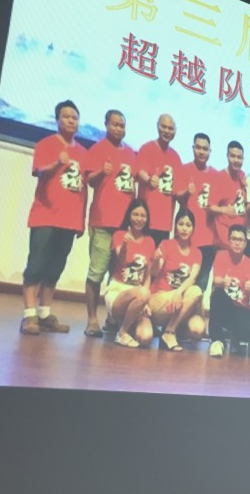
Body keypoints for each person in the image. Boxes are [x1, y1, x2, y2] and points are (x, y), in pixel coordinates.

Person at [20, 100, 87, 336]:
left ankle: (44, 314)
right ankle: (29, 315)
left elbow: (83, 189)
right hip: (45, 217)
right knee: (36, 266)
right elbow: (39, 171)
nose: (71, 121)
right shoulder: (46, 144)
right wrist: (57, 163)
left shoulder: (83, 153)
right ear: (57, 120)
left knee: (55, 268)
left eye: (74, 117)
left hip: (69, 221)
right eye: (66, 117)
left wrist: (81, 221)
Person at [82, 109, 136, 338]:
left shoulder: (131, 153)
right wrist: (100, 172)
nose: (118, 129)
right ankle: (92, 319)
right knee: (97, 272)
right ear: (106, 124)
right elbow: (88, 180)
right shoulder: (97, 149)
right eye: (114, 124)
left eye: (122, 125)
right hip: (103, 223)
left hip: (124, 226)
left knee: (118, 274)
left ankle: (112, 318)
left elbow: (132, 188)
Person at [148, 208, 205, 351]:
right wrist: (156, 260)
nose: (184, 228)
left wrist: (178, 292)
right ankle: (169, 332)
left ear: (193, 229)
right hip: (161, 300)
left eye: (188, 225)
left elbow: (192, 278)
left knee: (198, 329)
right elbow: (154, 272)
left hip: (180, 302)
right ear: (175, 226)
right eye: (181, 224)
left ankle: (172, 328)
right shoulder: (166, 244)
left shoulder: (197, 253)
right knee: (194, 292)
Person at [104, 200, 156, 348]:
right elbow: (121, 259)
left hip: (138, 295)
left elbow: (148, 275)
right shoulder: (120, 235)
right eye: (135, 214)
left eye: (143, 216)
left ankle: (126, 323)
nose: (139, 219)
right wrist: (125, 244)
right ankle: (122, 333)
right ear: (129, 216)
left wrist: (145, 301)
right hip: (118, 291)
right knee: (142, 293)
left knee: (145, 337)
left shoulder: (150, 241)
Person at [207, 224, 250, 357]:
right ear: (228, 241)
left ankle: (235, 336)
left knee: (249, 332)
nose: (237, 243)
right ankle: (217, 341)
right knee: (217, 294)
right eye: (234, 239)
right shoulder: (221, 256)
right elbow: (216, 280)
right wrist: (223, 282)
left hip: (241, 308)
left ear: (245, 243)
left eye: (240, 240)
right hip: (225, 305)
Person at [177, 132, 217, 293]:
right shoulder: (184, 169)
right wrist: (187, 192)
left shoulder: (215, 174)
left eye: (205, 149)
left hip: (208, 239)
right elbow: (177, 197)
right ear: (193, 148)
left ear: (210, 151)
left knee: (201, 284)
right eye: (198, 148)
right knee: (183, 279)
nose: (201, 152)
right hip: (187, 237)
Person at [137, 114, 182, 245]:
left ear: (175, 132)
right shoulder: (147, 148)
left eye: (170, 128)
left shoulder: (176, 157)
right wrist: (149, 179)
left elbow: (177, 189)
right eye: (164, 127)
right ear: (157, 127)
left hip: (164, 224)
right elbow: (140, 171)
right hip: (144, 220)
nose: (167, 131)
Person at [208, 140, 248, 250]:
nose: (236, 160)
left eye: (239, 157)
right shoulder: (219, 177)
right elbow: (209, 207)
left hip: (239, 243)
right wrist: (224, 210)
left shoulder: (242, 177)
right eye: (233, 156)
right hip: (223, 243)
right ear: (227, 156)